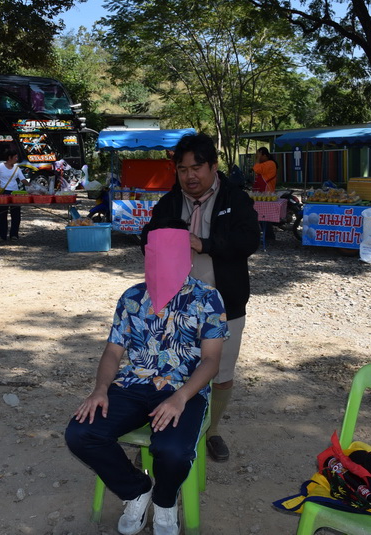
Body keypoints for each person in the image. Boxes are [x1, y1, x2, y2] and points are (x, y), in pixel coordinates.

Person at [65, 217, 228, 535]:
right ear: (147, 255)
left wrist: (181, 397)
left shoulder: (208, 298)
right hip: (132, 385)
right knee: (80, 433)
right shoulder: (132, 297)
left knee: (173, 450)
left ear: (188, 254)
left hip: (185, 389)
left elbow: (211, 361)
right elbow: (113, 352)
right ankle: (137, 490)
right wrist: (100, 389)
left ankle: (165, 501)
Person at [149, 133, 260, 463]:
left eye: (196, 168)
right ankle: (167, 426)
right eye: (182, 170)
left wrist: (205, 244)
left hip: (225, 305)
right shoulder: (170, 202)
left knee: (221, 373)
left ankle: (212, 430)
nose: (190, 176)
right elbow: (147, 238)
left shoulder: (235, 199)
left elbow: (248, 241)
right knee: (171, 368)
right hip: (176, 306)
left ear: (213, 166)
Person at [0, 145, 27, 240]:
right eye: (15, 157)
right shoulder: (0, 166)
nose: (17, 159)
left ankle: (14, 234)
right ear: (9, 157)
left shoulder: (16, 168)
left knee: (16, 214)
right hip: (4, 193)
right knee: (2, 214)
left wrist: (32, 186)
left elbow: (23, 179)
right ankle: (2, 235)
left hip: (15, 193)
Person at [253, 147, 278, 241]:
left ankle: (269, 236)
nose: (257, 157)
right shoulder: (266, 163)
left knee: (264, 216)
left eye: (259, 155)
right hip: (263, 193)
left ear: (264, 155)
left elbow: (256, 169)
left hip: (267, 192)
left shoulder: (270, 164)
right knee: (262, 216)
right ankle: (268, 235)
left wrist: (257, 159)